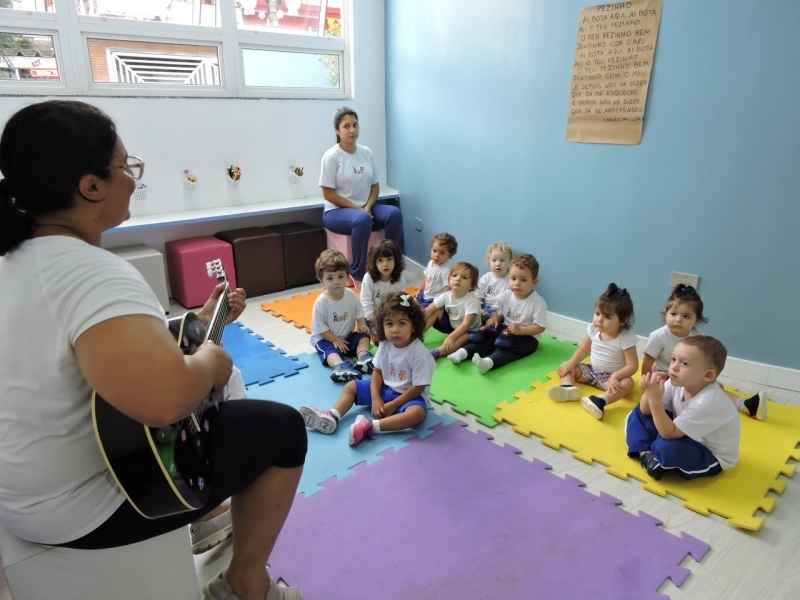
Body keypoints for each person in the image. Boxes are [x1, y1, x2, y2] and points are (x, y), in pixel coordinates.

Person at [0, 100, 306, 600]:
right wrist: (210, 360)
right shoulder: (91, 272)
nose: (133, 179)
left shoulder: (15, 262)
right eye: (126, 166)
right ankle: (244, 582)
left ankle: (206, 516)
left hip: (21, 495)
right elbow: (167, 400)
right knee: (281, 429)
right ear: (91, 185)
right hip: (83, 508)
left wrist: (197, 326)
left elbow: (88, 352)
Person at [298, 292, 435, 446]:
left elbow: (418, 387)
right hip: (385, 389)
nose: (395, 329)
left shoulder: (419, 353)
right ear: (382, 326)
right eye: (389, 324)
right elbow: (377, 372)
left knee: (417, 414)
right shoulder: (385, 344)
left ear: (414, 326)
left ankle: (370, 427)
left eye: (402, 323)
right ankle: (333, 415)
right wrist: (376, 398)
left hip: (408, 397)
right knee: (351, 386)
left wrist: (394, 405)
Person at [642, 284, 766, 420]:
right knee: (703, 390)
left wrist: (706, 379)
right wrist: (647, 384)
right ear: (666, 314)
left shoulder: (697, 337)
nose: (678, 319)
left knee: (714, 386)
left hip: (688, 374)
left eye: (686, 316)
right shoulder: (659, 336)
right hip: (665, 376)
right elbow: (648, 360)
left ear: (697, 321)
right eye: (673, 314)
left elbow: (703, 360)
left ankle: (745, 404)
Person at [627, 336, 741, 481]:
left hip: (709, 454)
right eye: (673, 359)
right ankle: (646, 453)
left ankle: (648, 450)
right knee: (639, 412)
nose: (673, 366)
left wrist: (654, 399)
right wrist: (650, 390)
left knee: (667, 446)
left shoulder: (708, 402)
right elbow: (645, 411)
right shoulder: (677, 381)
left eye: (684, 363)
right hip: (681, 432)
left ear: (708, 375)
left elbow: (669, 433)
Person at [319, 106, 403, 290]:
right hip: (336, 212)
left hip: (365, 209)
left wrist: (368, 206)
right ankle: (358, 274)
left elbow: (375, 186)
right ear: (337, 130)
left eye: (355, 125)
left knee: (394, 214)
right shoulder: (332, 156)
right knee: (362, 219)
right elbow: (328, 194)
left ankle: (392, 266)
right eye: (346, 126)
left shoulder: (366, 152)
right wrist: (359, 210)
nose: (352, 130)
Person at [548, 283, 639, 420]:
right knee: (567, 366)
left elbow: (632, 366)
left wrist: (615, 377)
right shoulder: (592, 329)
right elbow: (584, 349)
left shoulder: (625, 339)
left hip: (611, 380)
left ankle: (600, 401)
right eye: (597, 314)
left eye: (607, 317)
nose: (599, 320)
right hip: (591, 372)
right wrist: (571, 363)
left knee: (628, 383)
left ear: (622, 321)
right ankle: (568, 387)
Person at [448, 254, 547, 375]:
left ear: (534, 282)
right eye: (513, 278)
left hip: (528, 337)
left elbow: (540, 327)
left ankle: (489, 363)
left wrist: (520, 330)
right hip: (507, 330)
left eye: (523, 280)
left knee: (507, 349)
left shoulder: (538, 302)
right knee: (488, 338)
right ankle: (463, 353)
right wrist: (494, 319)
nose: (517, 283)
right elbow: (497, 311)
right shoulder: (506, 295)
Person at [310, 249, 372, 382]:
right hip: (325, 339)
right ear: (321, 280)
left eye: (340, 276)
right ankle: (340, 366)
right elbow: (319, 328)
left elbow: (359, 309)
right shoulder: (321, 302)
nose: (336, 282)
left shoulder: (349, 294)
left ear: (347, 276)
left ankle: (364, 358)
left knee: (363, 337)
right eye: (330, 278)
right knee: (330, 351)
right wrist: (335, 340)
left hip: (346, 336)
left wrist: (361, 323)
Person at [423, 262, 481, 359]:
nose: (458, 279)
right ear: (449, 279)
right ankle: (416, 336)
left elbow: (466, 324)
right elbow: (428, 311)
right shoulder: (446, 295)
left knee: (466, 337)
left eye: (464, 277)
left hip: (469, 330)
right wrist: (413, 325)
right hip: (452, 325)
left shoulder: (472, 301)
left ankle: (438, 351)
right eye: (454, 275)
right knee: (437, 311)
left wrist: (451, 338)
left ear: (471, 285)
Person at [360, 239, 407, 343]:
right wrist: (376, 321)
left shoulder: (400, 279)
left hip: (391, 317)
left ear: (396, 260)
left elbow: (400, 303)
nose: (385, 264)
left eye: (389, 259)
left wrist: (392, 321)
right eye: (380, 260)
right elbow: (365, 303)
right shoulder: (369, 278)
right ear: (374, 262)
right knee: (378, 339)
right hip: (372, 318)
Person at [414, 232, 458, 308]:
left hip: (434, 299)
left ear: (450, 255)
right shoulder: (430, 263)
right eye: (434, 251)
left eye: (442, 253)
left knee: (422, 312)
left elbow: (447, 289)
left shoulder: (446, 270)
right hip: (425, 295)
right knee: (410, 301)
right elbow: (426, 278)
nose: (436, 255)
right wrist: (419, 290)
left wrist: (443, 304)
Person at [476, 241, 513, 318]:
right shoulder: (486, 278)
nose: (498, 264)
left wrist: (501, 302)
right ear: (488, 262)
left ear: (510, 262)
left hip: (502, 309)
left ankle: (493, 323)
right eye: (494, 260)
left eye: (502, 260)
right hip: (486, 307)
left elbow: (514, 297)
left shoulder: (511, 279)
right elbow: (478, 296)